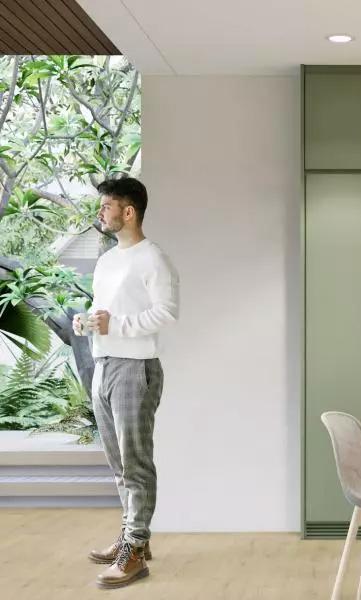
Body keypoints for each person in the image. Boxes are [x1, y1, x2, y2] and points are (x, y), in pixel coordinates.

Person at [73, 177, 180, 589]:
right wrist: (89, 323)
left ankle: (135, 550)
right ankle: (132, 536)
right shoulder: (107, 261)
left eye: (106, 206)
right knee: (119, 466)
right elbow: (106, 313)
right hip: (104, 364)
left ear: (128, 211)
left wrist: (117, 324)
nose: (101, 212)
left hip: (136, 368)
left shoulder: (153, 258)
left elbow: (167, 313)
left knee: (135, 464)